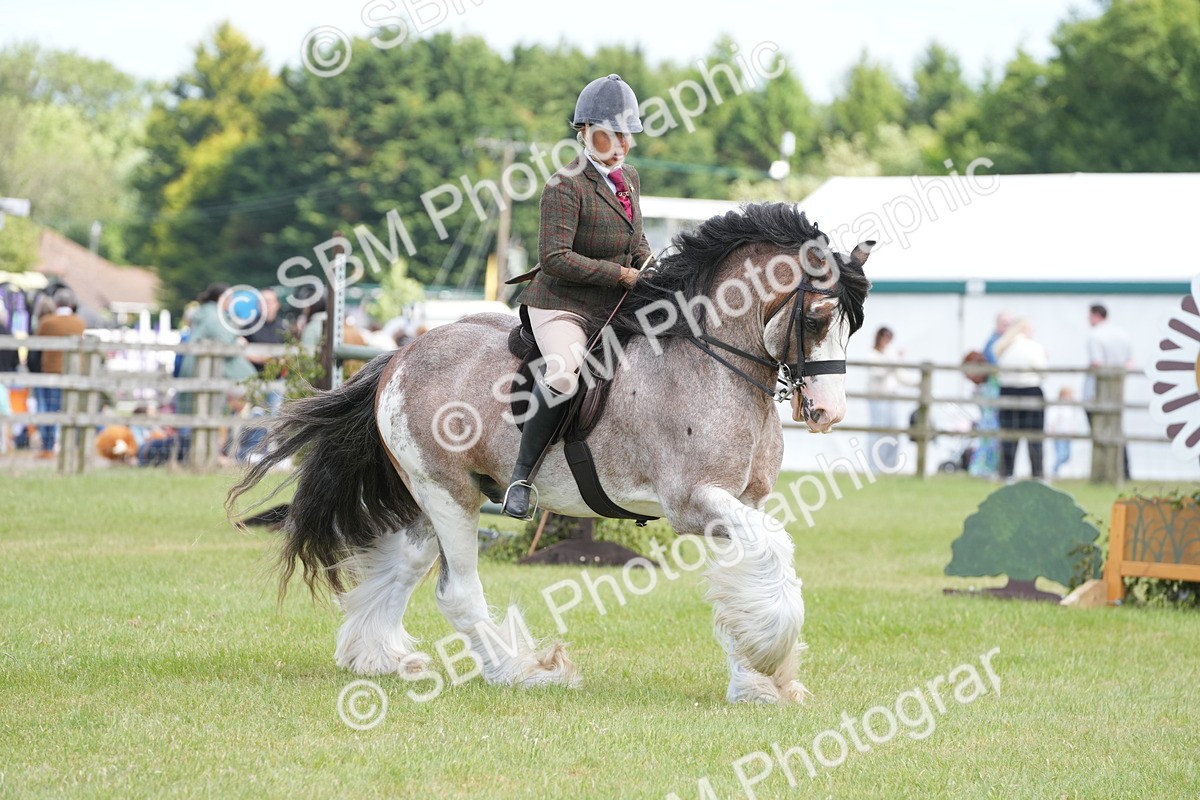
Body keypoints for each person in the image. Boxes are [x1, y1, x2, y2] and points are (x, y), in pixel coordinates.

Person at [501, 74, 656, 518]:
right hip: (560, 303)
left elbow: (636, 241)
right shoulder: (564, 184)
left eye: (629, 134)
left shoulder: (630, 179)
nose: (624, 144)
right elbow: (555, 257)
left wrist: (649, 266)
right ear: (587, 132)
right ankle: (521, 476)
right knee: (566, 374)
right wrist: (621, 274)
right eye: (615, 134)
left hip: (612, 302)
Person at [30, 288, 87, 459]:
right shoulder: (80, 323)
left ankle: (47, 446)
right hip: (73, 372)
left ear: (56, 303)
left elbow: (36, 345)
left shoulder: (47, 322)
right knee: (70, 409)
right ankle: (70, 445)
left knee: (48, 409)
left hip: (51, 372)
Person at [1083, 304, 1134, 479]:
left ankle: (1101, 472)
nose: (1088, 320)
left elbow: (1097, 363)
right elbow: (1130, 363)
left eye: (1089, 316)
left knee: (1098, 432)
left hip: (1096, 392)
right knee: (1117, 430)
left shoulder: (1095, 336)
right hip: (1117, 392)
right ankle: (1124, 471)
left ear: (1096, 315)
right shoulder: (1122, 335)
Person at [994, 318, 1047, 480]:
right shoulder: (1034, 347)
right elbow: (1043, 371)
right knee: (1035, 436)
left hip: (1008, 391)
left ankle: (1006, 473)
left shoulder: (1003, 347)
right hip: (1030, 390)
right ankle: (1037, 473)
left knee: (1009, 435)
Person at [863, 326, 917, 472]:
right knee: (878, 432)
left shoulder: (890, 355)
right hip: (878, 398)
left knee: (893, 433)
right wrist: (895, 360)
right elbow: (879, 373)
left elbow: (899, 374)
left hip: (891, 398)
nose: (887, 341)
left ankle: (890, 466)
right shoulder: (872, 355)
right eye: (885, 337)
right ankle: (874, 467)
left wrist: (918, 383)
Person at [1046, 386, 1085, 478]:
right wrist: (1052, 429)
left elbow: (1072, 421)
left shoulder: (1070, 409)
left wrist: (1074, 430)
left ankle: (1055, 471)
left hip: (1068, 435)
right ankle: (1053, 471)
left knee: (1067, 456)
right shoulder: (1057, 407)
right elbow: (1052, 419)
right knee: (1061, 454)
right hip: (1059, 434)